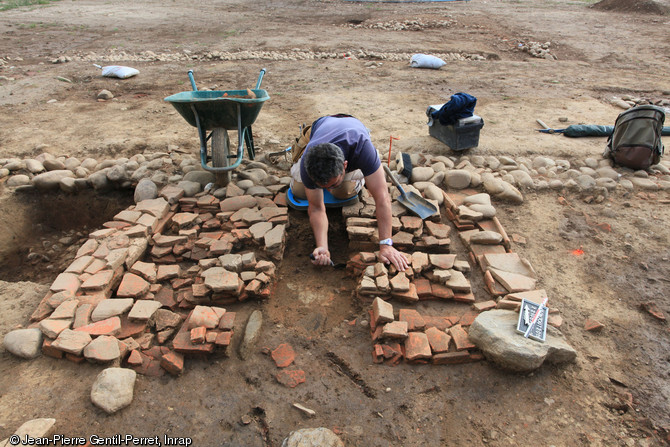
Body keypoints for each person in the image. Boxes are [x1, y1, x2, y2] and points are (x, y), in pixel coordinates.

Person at [290, 115, 408, 271]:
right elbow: (317, 208)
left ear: (345, 165)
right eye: (322, 186)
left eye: (332, 184)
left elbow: (382, 198)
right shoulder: (309, 163)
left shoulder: (361, 148)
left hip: (354, 130)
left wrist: (386, 244)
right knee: (299, 191)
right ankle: (329, 181)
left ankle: (367, 171)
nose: (328, 191)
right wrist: (322, 247)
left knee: (344, 191)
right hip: (321, 128)